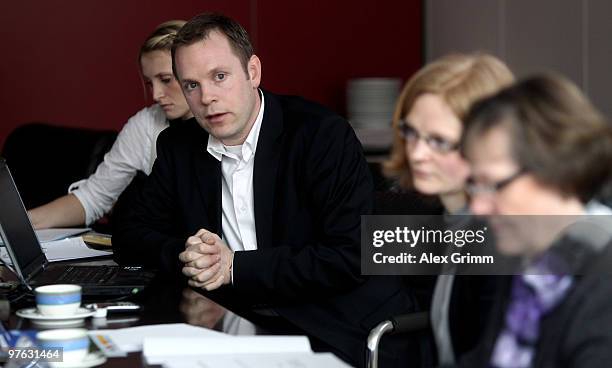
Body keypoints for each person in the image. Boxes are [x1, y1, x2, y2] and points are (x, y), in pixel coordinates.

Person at [113, 12, 422, 368]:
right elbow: (128, 232)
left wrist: (234, 268)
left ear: (253, 72)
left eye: (220, 76)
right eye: (192, 85)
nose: (207, 97)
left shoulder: (322, 136)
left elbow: (349, 257)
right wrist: (191, 255)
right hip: (234, 325)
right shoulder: (179, 146)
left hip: (335, 327)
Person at [459, 74, 612, 368]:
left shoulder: (602, 286)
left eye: (491, 185)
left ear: (555, 167)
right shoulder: (531, 263)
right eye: (474, 186)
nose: (477, 207)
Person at [382, 53, 514, 365]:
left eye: (439, 141)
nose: (416, 153)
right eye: (411, 132)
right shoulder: (456, 220)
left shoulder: (503, 239)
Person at [28, 20, 193, 229]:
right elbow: (94, 197)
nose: (156, 94)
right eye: (150, 83)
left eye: (166, 79)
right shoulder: (146, 123)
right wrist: (18, 227)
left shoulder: (229, 126)